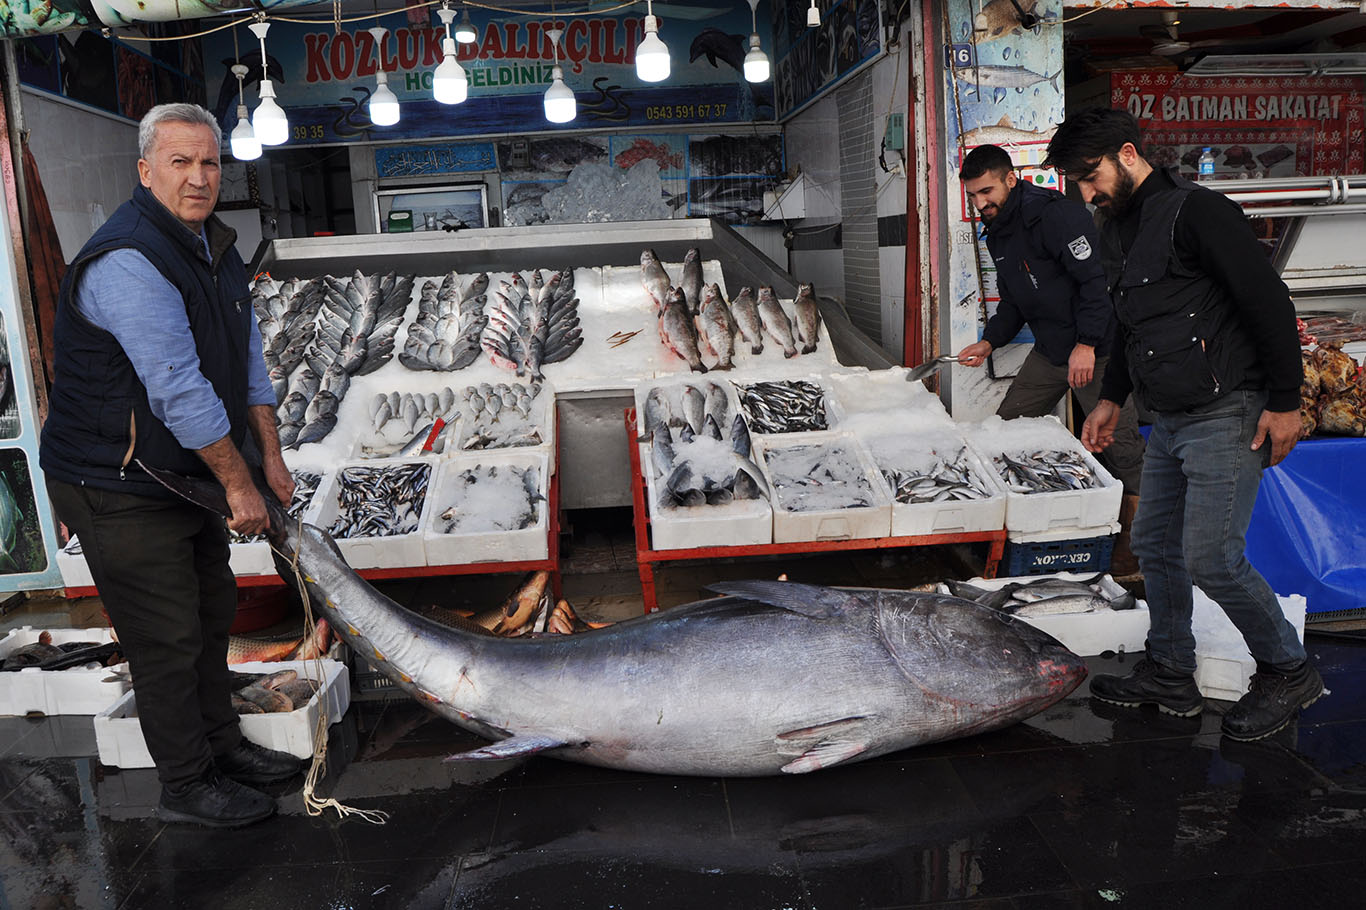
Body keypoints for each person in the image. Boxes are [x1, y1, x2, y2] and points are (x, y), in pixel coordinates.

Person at [40, 104, 302, 826]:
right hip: (115, 478)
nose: (198, 177)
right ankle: (186, 785)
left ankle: (222, 747)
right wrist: (238, 483)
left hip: (174, 472)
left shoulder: (208, 246)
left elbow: (245, 359)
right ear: (145, 171)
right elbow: (179, 387)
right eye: (180, 162)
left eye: (210, 162)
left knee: (211, 610)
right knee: (166, 635)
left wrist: (270, 454)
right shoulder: (129, 258)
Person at [1044, 108, 1322, 741]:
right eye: (1075, 182)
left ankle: (1288, 669)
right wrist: (1113, 399)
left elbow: (1269, 302)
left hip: (1229, 412)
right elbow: (1127, 320)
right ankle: (1171, 669)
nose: (1085, 192)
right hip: (1166, 417)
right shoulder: (1115, 224)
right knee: (1154, 547)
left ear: (1129, 153)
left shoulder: (1198, 212)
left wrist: (1286, 400)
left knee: (1213, 559)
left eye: (1089, 176)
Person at [956, 144, 1146, 504]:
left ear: (1011, 179)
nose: (980, 203)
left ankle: (1143, 542)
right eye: (973, 195)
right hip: (1050, 353)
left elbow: (1097, 284)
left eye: (987, 191)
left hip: (1098, 354)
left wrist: (1087, 345)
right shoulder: (998, 230)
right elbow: (1014, 301)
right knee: (1006, 432)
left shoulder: (1058, 217)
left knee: (1122, 450)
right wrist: (989, 342)